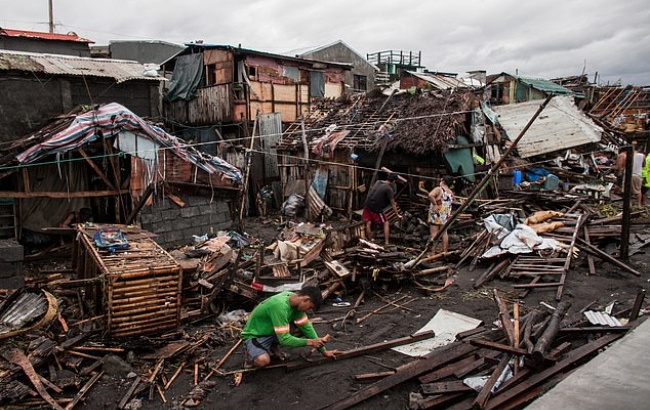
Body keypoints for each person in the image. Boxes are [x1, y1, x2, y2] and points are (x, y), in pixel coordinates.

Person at [240, 286, 339, 369]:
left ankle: (272, 346)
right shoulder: (279, 306)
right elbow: (284, 339)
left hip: (271, 331)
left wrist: (324, 351)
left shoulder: (294, 301)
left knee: (301, 328)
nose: (308, 311)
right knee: (262, 361)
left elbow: (306, 328)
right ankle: (250, 353)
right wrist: (310, 342)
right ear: (306, 299)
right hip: (255, 335)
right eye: (310, 307)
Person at [362, 173, 402, 245]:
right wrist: (397, 214)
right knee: (386, 222)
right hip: (376, 208)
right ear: (394, 181)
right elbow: (393, 203)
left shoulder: (378, 182)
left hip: (367, 204)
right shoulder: (389, 189)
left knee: (368, 222)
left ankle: (370, 240)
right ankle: (387, 243)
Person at [428, 176, 454, 256]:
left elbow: (430, 195)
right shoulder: (451, 192)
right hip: (445, 215)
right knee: (444, 233)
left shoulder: (439, 189)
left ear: (443, 181)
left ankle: (432, 253)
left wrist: (435, 204)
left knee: (434, 233)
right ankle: (445, 252)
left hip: (437, 213)